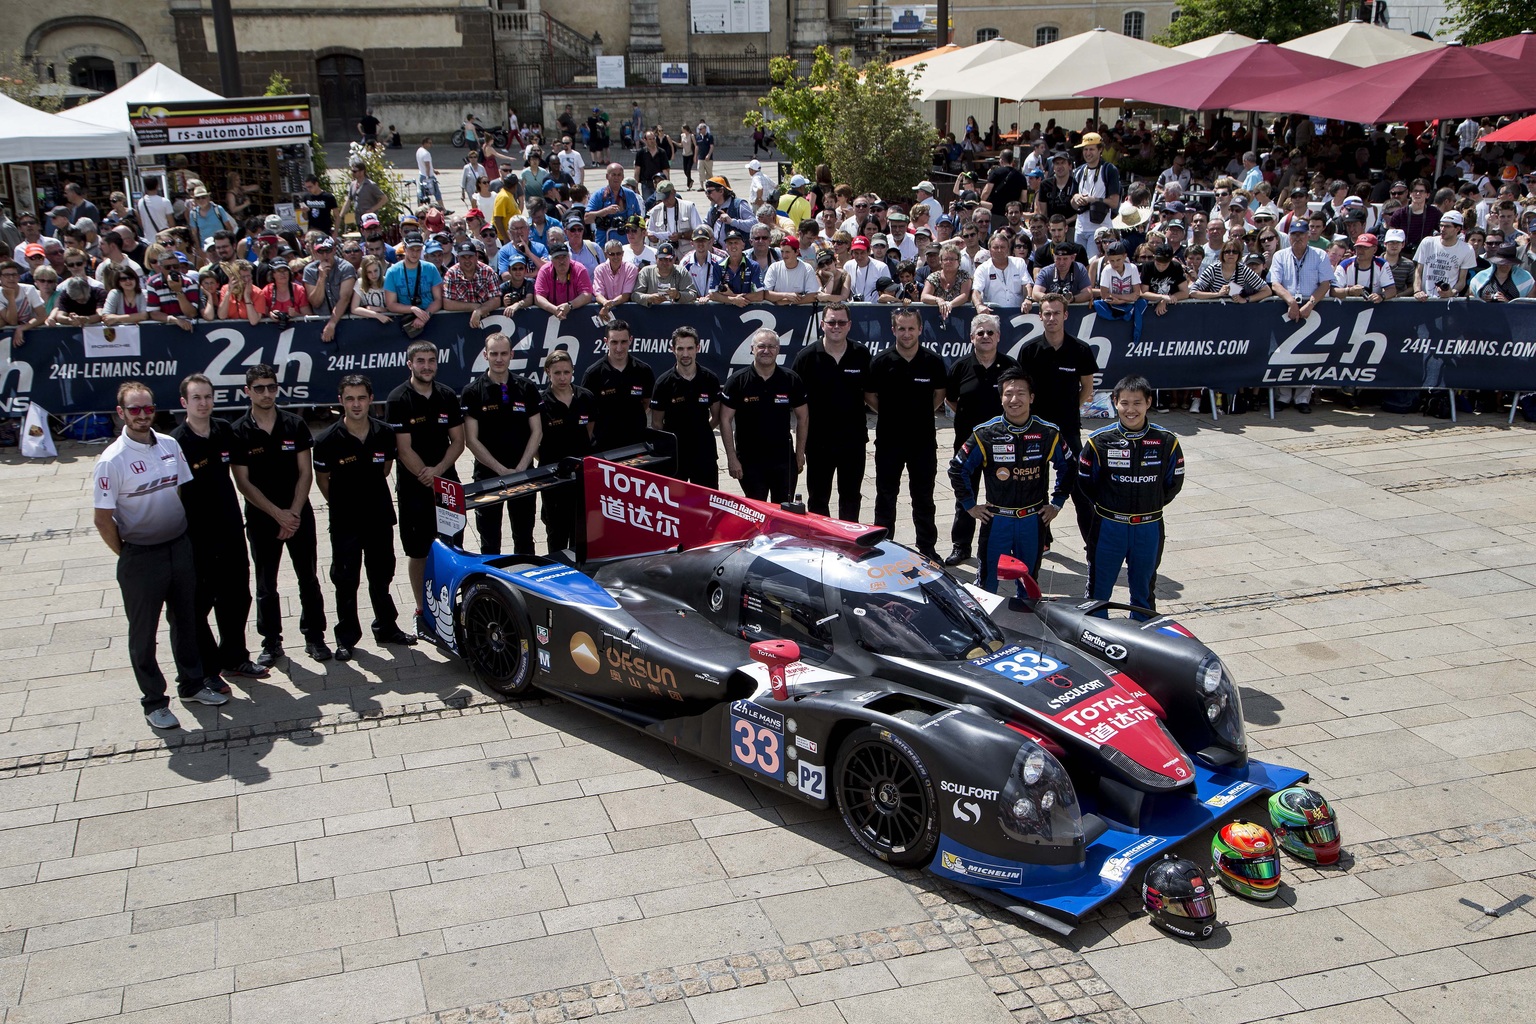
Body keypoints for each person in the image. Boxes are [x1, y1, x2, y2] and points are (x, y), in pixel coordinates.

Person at [93, 380, 228, 730]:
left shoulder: (169, 445)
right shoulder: (112, 460)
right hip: (141, 557)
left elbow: (180, 493)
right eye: (134, 409)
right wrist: (129, 552)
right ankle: (154, 701)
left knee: (186, 621)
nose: (142, 415)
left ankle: (193, 685)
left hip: (178, 548)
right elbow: (102, 519)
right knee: (143, 634)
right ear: (121, 413)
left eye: (148, 408)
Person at [230, 364, 330, 664]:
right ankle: (271, 642)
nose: (266, 393)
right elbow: (242, 482)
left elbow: (305, 472)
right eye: (259, 388)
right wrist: (278, 515)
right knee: (265, 583)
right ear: (247, 391)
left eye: (271, 387)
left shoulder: (294, 425)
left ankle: (315, 637)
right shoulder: (238, 431)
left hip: (299, 515)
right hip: (263, 518)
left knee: (308, 579)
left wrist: (294, 513)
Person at [172, 373, 265, 689]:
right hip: (197, 537)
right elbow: (174, 495)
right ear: (185, 402)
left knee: (238, 597)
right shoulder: (176, 442)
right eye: (196, 397)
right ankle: (207, 669)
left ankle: (234, 657)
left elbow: (242, 477)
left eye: (207, 396)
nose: (203, 403)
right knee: (199, 605)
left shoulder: (225, 431)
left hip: (230, 530)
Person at [949, 368, 1075, 594]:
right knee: (987, 583)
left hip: (1032, 520)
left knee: (1029, 582)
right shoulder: (985, 433)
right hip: (997, 520)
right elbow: (957, 468)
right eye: (1008, 394)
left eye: (1021, 393)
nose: (1014, 399)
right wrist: (969, 506)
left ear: (1032, 397)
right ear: (1001, 398)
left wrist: (1057, 503)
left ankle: (1025, 624)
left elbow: (1068, 467)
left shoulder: (1048, 433)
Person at [1078, 375, 1184, 619]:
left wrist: (1148, 503)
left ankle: (1143, 644)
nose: (1130, 409)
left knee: (1143, 592)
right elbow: (1086, 482)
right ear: (1115, 402)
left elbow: (1172, 484)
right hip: (1108, 526)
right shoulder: (1098, 440)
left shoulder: (1167, 441)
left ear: (1148, 402)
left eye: (1137, 403)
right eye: (1124, 402)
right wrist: (1111, 504)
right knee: (1098, 592)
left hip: (1148, 527)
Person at [388, 342, 466, 624]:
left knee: (452, 547)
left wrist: (440, 471)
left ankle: (451, 606)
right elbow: (403, 448)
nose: (426, 366)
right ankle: (423, 609)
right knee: (419, 550)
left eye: (431, 360)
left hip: (446, 486)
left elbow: (459, 441)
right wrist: (426, 473)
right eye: (420, 361)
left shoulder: (446, 395)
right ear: (409, 364)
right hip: (413, 488)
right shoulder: (398, 399)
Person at [1015, 292, 1098, 544]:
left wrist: (1070, 407)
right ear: (1040, 317)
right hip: (1036, 429)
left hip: (1068, 428)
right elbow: (1021, 390)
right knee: (1034, 485)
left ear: (1066, 315)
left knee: (1079, 485)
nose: (1051, 318)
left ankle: (1092, 542)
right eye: (1047, 313)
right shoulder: (1029, 351)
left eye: (1056, 313)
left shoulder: (1080, 350)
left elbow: (1087, 388)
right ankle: (1043, 539)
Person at [865, 307, 947, 559]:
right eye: (901, 328)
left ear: (920, 329)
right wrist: (893, 415)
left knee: (923, 496)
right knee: (886, 495)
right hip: (889, 440)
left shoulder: (932, 362)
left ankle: (927, 547)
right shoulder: (880, 362)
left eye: (911, 328)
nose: (907, 333)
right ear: (893, 330)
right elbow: (870, 396)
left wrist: (919, 414)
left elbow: (939, 395)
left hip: (923, 441)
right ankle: (882, 545)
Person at [943, 314, 1018, 566]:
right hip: (969, 444)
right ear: (972, 337)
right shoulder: (960, 367)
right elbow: (951, 399)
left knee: (1005, 496)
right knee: (966, 494)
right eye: (980, 333)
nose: (985, 337)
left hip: (1004, 445)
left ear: (998, 336)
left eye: (990, 333)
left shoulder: (1011, 367)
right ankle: (961, 546)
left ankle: (1003, 546)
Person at [461, 333, 543, 554]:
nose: (499, 359)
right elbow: (471, 440)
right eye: (494, 354)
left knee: (525, 538)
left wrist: (521, 468)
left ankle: (524, 584)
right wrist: (500, 470)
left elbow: (537, 431)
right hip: (487, 476)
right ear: (485, 355)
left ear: (511, 355)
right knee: (490, 542)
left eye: (503, 353)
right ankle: (491, 587)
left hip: (522, 473)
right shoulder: (472, 392)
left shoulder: (526, 387)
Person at [790, 302, 870, 521]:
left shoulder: (861, 354)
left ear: (849, 325)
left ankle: (849, 544)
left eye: (841, 322)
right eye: (832, 322)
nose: (836, 326)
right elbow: (795, 403)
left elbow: (872, 393)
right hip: (818, 443)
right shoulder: (806, 357)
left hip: (853, 441)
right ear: (822, 325)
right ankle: (822, 545)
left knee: (851, 497)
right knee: (818, 499)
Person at [720, 328, 809, 502]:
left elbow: (803, 418)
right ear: (752, 349)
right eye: (761, 346)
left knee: (784, 511)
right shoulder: (737, 381)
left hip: (783, 460)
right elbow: (725, 419)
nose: (766, 351)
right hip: (749, 460)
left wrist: (799, 454)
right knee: (756, 511)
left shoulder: (791, 380)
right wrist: (731, 458)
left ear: (778, 349)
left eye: (771, 346)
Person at [1268, 220, 1334, 412]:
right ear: (1289, 236)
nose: (1298, 238)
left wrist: (1310, 305)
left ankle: (1303, 398)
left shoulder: (1320, 255)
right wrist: (1291, 302)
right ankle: (1284, 396)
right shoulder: (1280, 255)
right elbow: (1275, 283)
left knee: (1309, 353)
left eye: (1301, 235)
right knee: (1283, 352)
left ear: (1308, 236)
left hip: (1313, 306)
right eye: (1294, 234)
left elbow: (1325, 283)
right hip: (1286, 306)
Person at [651, 326, 722, 486]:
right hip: (675, 455)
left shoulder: (710, 379)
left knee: (708, 503)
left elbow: (717, 416)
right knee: (675, 505)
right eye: (680, 348)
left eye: (690, 348)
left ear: (698, 348)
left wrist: (700, 431)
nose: (685, 354)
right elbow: (656, 423)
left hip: (704, 452)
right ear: (672, 349)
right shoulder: (663, 383)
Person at [539, 349, 595, 551]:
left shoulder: (586, 397)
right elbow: (537, 440)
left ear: (573, 371)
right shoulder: (541, 403)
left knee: (581, 530)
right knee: (556, 531)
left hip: (581, 476)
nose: (562, 378)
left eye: (566, 372)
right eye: (557, 373)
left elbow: (589, 431)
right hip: (553, 479)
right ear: (548, 372)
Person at [582, 320, 655, 452]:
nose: (619, 348)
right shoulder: (593, 374)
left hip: (636, 444)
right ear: (606, 341)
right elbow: (587, 413)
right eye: (614, 342)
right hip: (604, 446)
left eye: (624, 342)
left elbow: (646, 402)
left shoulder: (644, 370)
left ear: (630, 340)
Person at [384, 232, 444, 336]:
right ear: (404, 248)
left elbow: (438, 299)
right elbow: (391, 304)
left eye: (418, 250)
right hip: (406, 322)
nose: (415, 254)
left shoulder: (431, 268)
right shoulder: (392, 272)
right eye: (411, 249)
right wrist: (412, 309)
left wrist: (425, 316)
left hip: (431, 319)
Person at [1413, 210, 1476, 300]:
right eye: (1441, 225)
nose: (1442, 229)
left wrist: (1452, 292)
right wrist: (1417, 291)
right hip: (1424, 299)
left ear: (1457, 229)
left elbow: (1462, 280)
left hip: (1448, 301)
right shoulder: (1427, 242)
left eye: (1447, 226)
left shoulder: (1467, 249)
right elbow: (1418, 271)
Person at [585, 163, 644, 246]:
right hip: (604, 243)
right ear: (607, 176)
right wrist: (605, 211)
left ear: (623, 177)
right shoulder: (598, 195)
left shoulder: (630, 195)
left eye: (619, 175)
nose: (616, 178)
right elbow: (587, 218)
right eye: (613, 175)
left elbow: (639, 218)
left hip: (627, 243)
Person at [1332, 233, 1398, 303]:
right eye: (1359, 247)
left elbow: (1392, 290)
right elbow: (1333, 291)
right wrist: (1349, 291)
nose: (1361, 251)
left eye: (1365, 247)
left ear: (1374, 249)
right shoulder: (1344, 265)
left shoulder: (1382, 264)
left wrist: (1381, 296)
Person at [1470, 242, 1535, 301]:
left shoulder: (1526, 278)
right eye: (1501, 262)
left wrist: (1508, 303)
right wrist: (1482, 300)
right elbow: (1472, 300)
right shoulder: (1480, 278)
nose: (1504, 265)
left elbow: (1529, 306)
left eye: (1508, 263)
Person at [416, 137, 444, 207]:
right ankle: (443, 208)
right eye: (429, 143)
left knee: (421, 194)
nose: (431, 145)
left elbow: (425, 165)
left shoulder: (419, 151)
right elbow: (427, 166)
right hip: (428, 176)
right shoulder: (426, 153)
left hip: (421, 175)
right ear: (425, 143)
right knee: (437, 193)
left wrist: (433, 170)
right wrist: (428, 177)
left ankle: (420, 209)